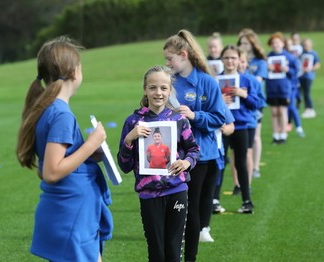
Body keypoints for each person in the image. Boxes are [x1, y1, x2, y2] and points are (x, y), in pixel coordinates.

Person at [15, 36, 113, 262]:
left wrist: (88, 155)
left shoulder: (49, 109)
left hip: (70, 212)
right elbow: (51, 172)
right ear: (74, 72)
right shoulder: (61, 115)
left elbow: (46, 167)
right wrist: (91, 144)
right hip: (71, 214)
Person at [117, 65, 200, 262]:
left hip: (176, 191)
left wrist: (186, 163)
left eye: (163, 88)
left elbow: (194, 150)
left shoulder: (179, 120)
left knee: (173, 252)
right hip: (148, 195)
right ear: (145, 89)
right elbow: (124, 166)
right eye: (153, 87)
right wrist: (129, 140)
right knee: (157, 253)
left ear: (170, 90)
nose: (158, 93)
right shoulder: (133, 122)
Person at [163, 29, 226, 261]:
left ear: (183, 55)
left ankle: (190, 257)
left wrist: (194, 115)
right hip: (172, 155)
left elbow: (220, 118)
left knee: (190, 210)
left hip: (200, 156)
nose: (167, 64)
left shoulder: (207, 82)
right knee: (173, 209)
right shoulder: (168, 82)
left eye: (169, 59)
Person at [219, 45, 259, 214]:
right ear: (222, 60)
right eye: (227, 57)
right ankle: (214, 200)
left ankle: (247, 201)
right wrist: (219, 100)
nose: (230, 61)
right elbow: (206, 104)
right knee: (219, 163)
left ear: (239, 60)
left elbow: (256, 104)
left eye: (233, 58)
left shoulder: (247, 80)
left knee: (241, 163)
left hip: (241, 126)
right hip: (221, 127)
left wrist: (244, 95)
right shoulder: (214, 80)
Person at [237, 31, 267, 180]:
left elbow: (258, 82)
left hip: (254, 102)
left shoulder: (260, 62)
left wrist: (244, 82)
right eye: (241, 43)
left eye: (246, 43)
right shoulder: (237, 59)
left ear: (252, 44)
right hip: (239, 104)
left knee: (255, 138)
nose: (243, 46)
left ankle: (255, 167)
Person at [266, 32, 299, 144]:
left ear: (282, 43)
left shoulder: (290, 57)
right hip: (271, 89)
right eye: (273, 43)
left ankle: (283, 135)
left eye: (277, 42)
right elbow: (263, 74)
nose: (275, 45)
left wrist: (287, 70)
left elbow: (295, 73)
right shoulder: (268, 58)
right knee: (274, 112)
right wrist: (267, 68)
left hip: (284, 89)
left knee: (282, 111)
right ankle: (275, 136)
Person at [284, 38, 305, 138]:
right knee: (285, 108)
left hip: (292, 86)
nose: (289, 46)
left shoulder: (292, 58)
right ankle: (285, 127)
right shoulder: (279, 56)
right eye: (287, 44)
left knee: (291, 106)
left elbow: (296, 72)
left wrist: (288, 70)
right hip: (281, 87)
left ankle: (299, 128)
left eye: (290, 44)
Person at [299, 38, 321, 118]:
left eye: (308, 44)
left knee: (307, 93)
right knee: (299, 93)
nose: (306, 46)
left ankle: (309, 109)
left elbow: (318, 64)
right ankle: (300, 109)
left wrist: (310, 68)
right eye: (305, 44)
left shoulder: (314, 53)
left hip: (308, 76)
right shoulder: (301, 53)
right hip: (300, 76)